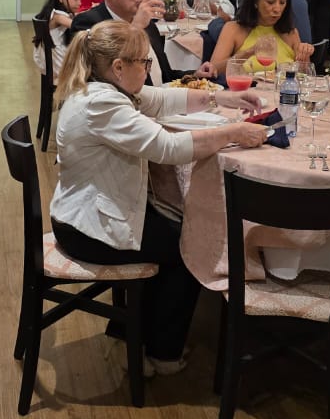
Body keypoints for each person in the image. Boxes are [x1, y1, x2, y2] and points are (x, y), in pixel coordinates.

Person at [50, 22, 267, 373]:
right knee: (190, 248)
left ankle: (130, 333)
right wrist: (234, 132)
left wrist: (221, 98)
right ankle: (162, 352)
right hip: (86, 228)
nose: (148, 69)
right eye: (144, 62)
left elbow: (163, 98)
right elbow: (169, 147)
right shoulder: (101, 104)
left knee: (177, 229)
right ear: (118, 67)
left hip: (84, 211)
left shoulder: (103, 88)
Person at [67, 0, 180, 84]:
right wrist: (135, 29)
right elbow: (106, 79)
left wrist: (193, 75)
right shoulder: (88, 23)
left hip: (162, 94)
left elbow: (165, 75)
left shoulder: (148, 25)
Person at [201, 0, 314, 75]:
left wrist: (304, 56)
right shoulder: (234, 29)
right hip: (245, 89)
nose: (277, 9)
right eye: (270, 2)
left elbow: (305, 76)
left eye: (282, 2)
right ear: (255, 1)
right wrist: (248, 53)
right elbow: (213, 68)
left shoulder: (291, 33)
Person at [32, 0, 83, 74]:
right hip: (55, 59)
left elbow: (77, 17)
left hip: (51, 56)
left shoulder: (55, 12)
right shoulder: (58, 16)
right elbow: (76, 25)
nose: (79, 3)